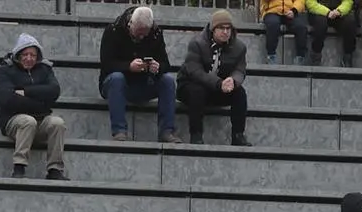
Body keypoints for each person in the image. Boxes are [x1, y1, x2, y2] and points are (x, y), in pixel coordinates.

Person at [97, 5, 180, 143]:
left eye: (144, 33)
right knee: (117, 78)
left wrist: (157, 67)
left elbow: (166, 64)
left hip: (144, 82)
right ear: (130, 24)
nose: (141, 36)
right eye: (138, 32)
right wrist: (128, 66)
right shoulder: (113, 31)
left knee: (168, 81)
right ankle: (119, 131)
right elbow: (107, 64)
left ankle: (167, 131)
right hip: (115, 84)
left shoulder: (155, 34)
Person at [0, 33, 68, 178]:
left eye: (33, 55)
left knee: (57, 123)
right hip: (14, 121)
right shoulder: (5, 70)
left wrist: (25, 92)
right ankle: (19, 167)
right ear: (18, 54)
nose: (29, 58)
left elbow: (54, 91)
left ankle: (55, 169)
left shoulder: (45, 69)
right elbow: (8, 100)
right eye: (25, 54)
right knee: (27, 121)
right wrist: (40, 104)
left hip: (41, 120)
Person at [181, 10, 251, 147]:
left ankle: (238, 135)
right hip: (190, 86)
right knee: (197, 91)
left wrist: (233, 81)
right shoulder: (197, 44)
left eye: (228, 28)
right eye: (221, 28)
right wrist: (218, 83)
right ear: (213, 29)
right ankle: (196, 135)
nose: (225, 32)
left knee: (240, 93)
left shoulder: (239, 47)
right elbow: (195, 72)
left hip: (220, 88)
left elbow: (240, 69)